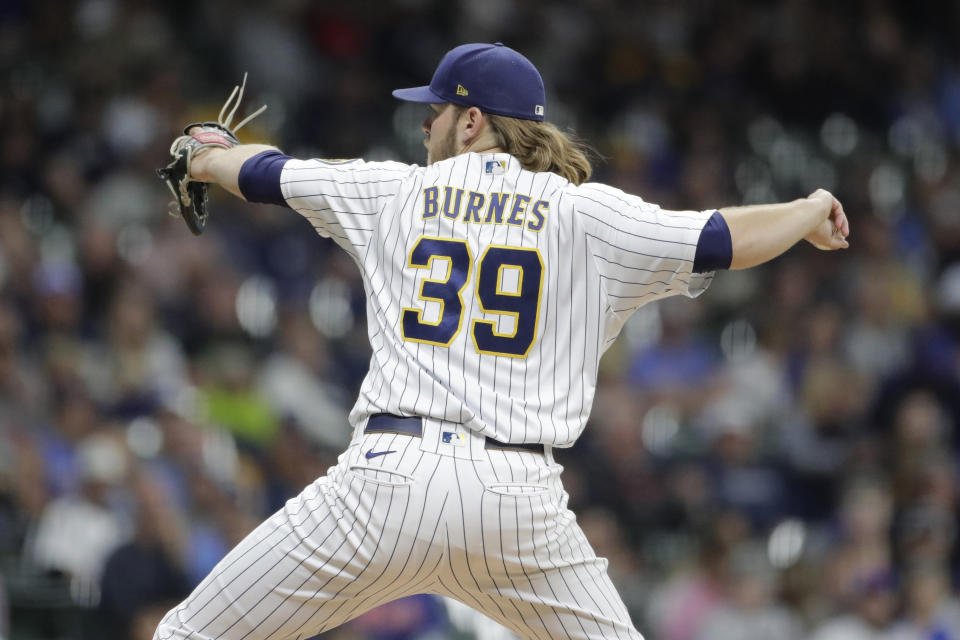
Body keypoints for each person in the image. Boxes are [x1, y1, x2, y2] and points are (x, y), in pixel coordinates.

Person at [154, 42, 849, 640]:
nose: (425, 121)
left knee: (189, 633)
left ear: (473, 122)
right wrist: (808, 209)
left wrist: (207, 156)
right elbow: (722, 238)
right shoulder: (588, 214)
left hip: (388, 484)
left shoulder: (391, 191)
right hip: (517, 505)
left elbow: (267, 173)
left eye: (436, 109)